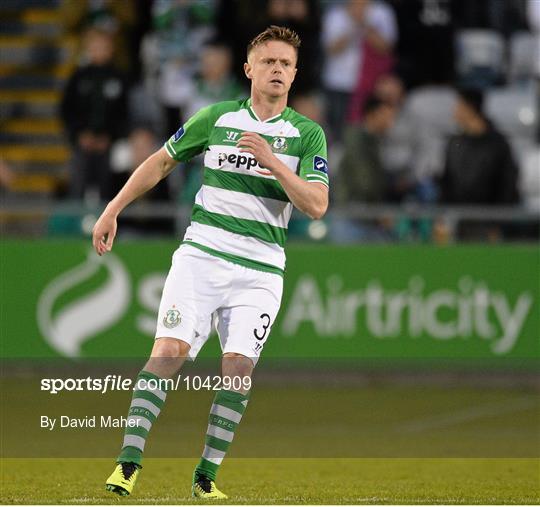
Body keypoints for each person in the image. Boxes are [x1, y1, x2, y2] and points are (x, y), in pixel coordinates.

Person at [93, 26, 329, 499]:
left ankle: (206, 476)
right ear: (249, 70)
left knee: (238, 368)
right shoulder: (216, 118)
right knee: (168, 354)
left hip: (261, 270)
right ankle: (128, 464)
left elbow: (317, 206)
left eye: (285, 63)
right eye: (269, 62)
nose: (278, 69)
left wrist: (274, 161)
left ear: (296, 73)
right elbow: (160, 162)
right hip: (202, 257)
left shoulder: (306, 135)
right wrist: (112, 209)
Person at [60, 27, 128, 202]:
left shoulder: (120, 77)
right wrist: (80, 134)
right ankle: (75, 222)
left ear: (111, 48)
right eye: (94, 46)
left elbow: (124, 113)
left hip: (110, 144)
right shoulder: (78, 77)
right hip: (82, 143)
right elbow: (67, 110)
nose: (98, 51)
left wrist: (110, 136)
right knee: (78, 183)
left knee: (110, 186)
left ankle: (110, 222)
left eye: (102, 46)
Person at [439, 88, 520, 205]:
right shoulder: (455, 143)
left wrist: (500, 217)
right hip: (458, 215)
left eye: (459, 106)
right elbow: (447, 181)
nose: (454, 111)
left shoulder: (497, 143)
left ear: (470, 108)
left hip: (490, 216)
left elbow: (507, 182)